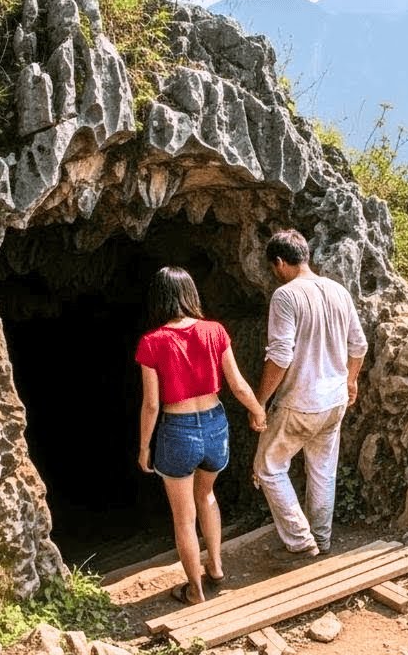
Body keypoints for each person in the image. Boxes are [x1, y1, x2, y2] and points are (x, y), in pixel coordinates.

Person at [136, 266, 268, 605]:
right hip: (214, 424)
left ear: (158, 298)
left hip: (177, 429)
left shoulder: (152, 342)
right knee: (207, 496)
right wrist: (257, 410)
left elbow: (151, 404)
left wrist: (144, 447)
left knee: (184, 518)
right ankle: (217, 567)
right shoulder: (215, 331)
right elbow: (238, 384)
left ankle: (195, 590)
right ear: (190, 294)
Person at [253, 229, 368, 560]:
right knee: (322, 470)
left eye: (273, 268)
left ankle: (301, 540)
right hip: (335, 400)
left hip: (301, 400)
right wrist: (351, 381)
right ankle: (321, 537)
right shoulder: (338, 291)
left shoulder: (285, 296)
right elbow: (359, 345)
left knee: (268, 466)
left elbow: (281, 355)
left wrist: (260, 401)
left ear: (279, 262)